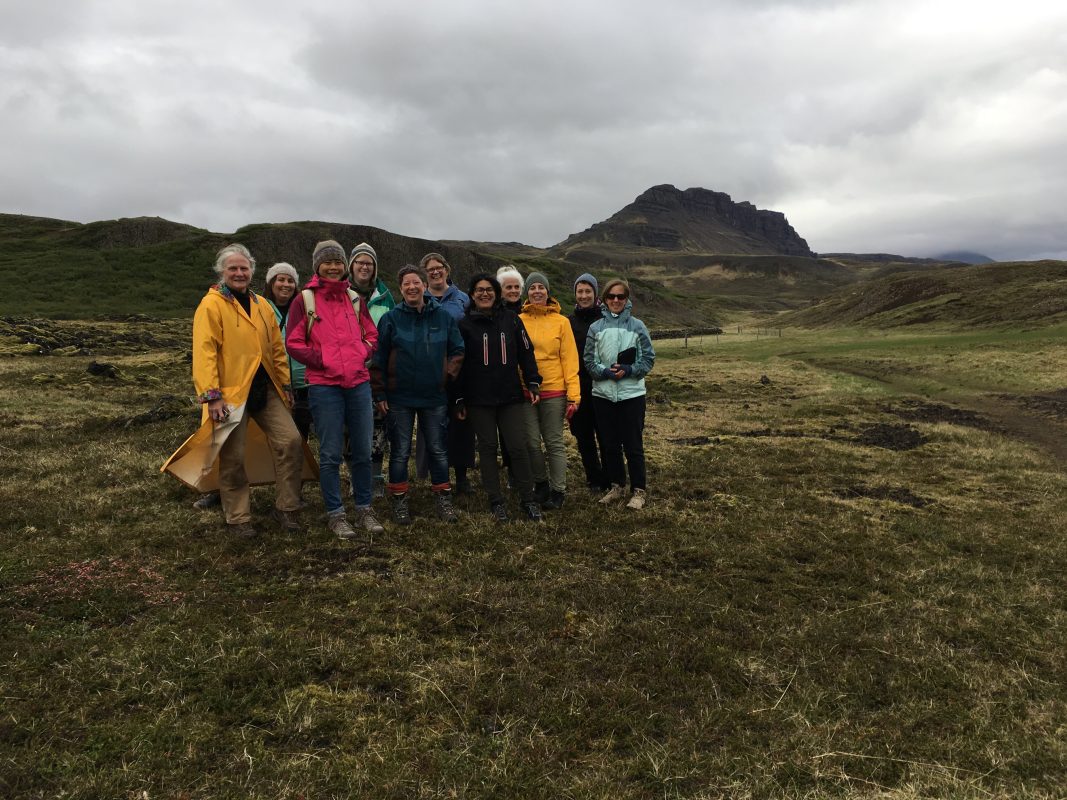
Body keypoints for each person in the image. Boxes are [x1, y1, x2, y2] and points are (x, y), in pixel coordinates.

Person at [172, 243, 306, 538]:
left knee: (291, 441)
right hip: (230, 395)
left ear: (252, 272)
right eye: (232, 268)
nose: (239, 273)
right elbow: (205, 352)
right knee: (232, 456)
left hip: (265, 389)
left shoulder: (262, 305)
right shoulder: (211, 305)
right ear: (222, 271)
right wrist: (212, 396)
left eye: (244, 268)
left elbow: (276, 349)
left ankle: (287, 508)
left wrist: (285, 384)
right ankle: (238, 518)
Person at [286, 240, 383, 540]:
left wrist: (362, 353)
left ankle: (364, 508)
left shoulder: (354, 299)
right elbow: (293, 342)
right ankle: (336, 514)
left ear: (344, 266)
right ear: (317, 266)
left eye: (337, 262)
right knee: (330, 454)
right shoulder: (304, 300)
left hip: (358, 384)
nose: (333, 267)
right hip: (324, 386)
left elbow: (372, 334)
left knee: (363, 451)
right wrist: (323, 360)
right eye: (327, 262)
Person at [371, 264, 464, 524]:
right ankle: (399, 500)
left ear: (424, 285)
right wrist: (380, 393)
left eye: (416, 283)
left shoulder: (443, 317)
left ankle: (443, 499)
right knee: (400, 451)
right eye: (406, 284)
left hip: (434, 397)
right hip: (399, 397)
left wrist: (444, 376)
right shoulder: (390, 319)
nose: (412, 287)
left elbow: (457, 350)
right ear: (400, 289)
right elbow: (378, 359)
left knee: (438, 449)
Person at [453, 273, 544, 522]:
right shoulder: (464, 325)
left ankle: (528, 499)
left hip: (509, 395)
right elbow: (458, 364)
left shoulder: (512, 319)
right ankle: (496, 500)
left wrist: (533, 381)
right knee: (488, 448)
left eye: (489, 290)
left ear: (496, 294)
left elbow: (526, 352)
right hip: (478, 399)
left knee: (517, 447)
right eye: (479, 290)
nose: (485, 294)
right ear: (472, 295)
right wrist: (458, 397)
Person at [584, 278, 656, 509]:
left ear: (627, 300)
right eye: (611, 296)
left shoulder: (638, 326)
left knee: (633, 445)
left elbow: (648, 359)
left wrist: (630, 370)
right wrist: (604, 372)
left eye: (620, 296)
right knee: (610, 445)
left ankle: (639, 490)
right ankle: (617, 486)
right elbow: (589, 361)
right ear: (604, 299)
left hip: (632, 396)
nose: (616, 300)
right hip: (603, 396)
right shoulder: (595, 328)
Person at [519, 271, 581, 510]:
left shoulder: (562, 322)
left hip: (554, 389)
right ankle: (541, 483)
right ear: (527, 292)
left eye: (541, 287)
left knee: (554, 442)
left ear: (547, 291)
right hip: (526, 391)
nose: (537, 291)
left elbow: (570, 360)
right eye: (532, 287)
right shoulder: (518, 320)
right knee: (531, 442)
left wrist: (573, 396)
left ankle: (558, 490)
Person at [418, 252, 475, 493]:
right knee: (432, 425)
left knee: (461, 423)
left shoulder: (463, 299)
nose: (435, 272)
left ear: (446, 269)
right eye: (430, 269)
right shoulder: (420, 298)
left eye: (438, 267)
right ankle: (437, 477)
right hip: (429, 371)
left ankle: (461, 477)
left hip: (460, 369)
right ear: (425, 274)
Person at [348, 242, 396, 498]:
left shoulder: (385, 297)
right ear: (352, 266)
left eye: (369, 263)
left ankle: (376, 477)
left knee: (378, 428)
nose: (364, 267)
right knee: (349, 428)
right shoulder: (340, 293)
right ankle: (355, 478)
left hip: (376, 373)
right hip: (346, 372)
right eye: (360, 262)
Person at [568, 273, 609, 493]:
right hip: (578, 388)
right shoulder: (568, 322)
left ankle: (610, 476)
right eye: (580, 291)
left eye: (588, 291)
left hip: (603, 386)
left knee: (606, 434)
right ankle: (593, 478)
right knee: (583, 436)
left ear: (595, 293)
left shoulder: (606, 319)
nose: (584, 296)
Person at [263, 262, 313, 441]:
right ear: (271, 283)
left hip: (303, 385)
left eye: (290, 281)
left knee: (301, 436)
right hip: (274, 385)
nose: (286, 284)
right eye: (281, 279)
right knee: (279, 438)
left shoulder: (304, 308)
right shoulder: (261, 308)